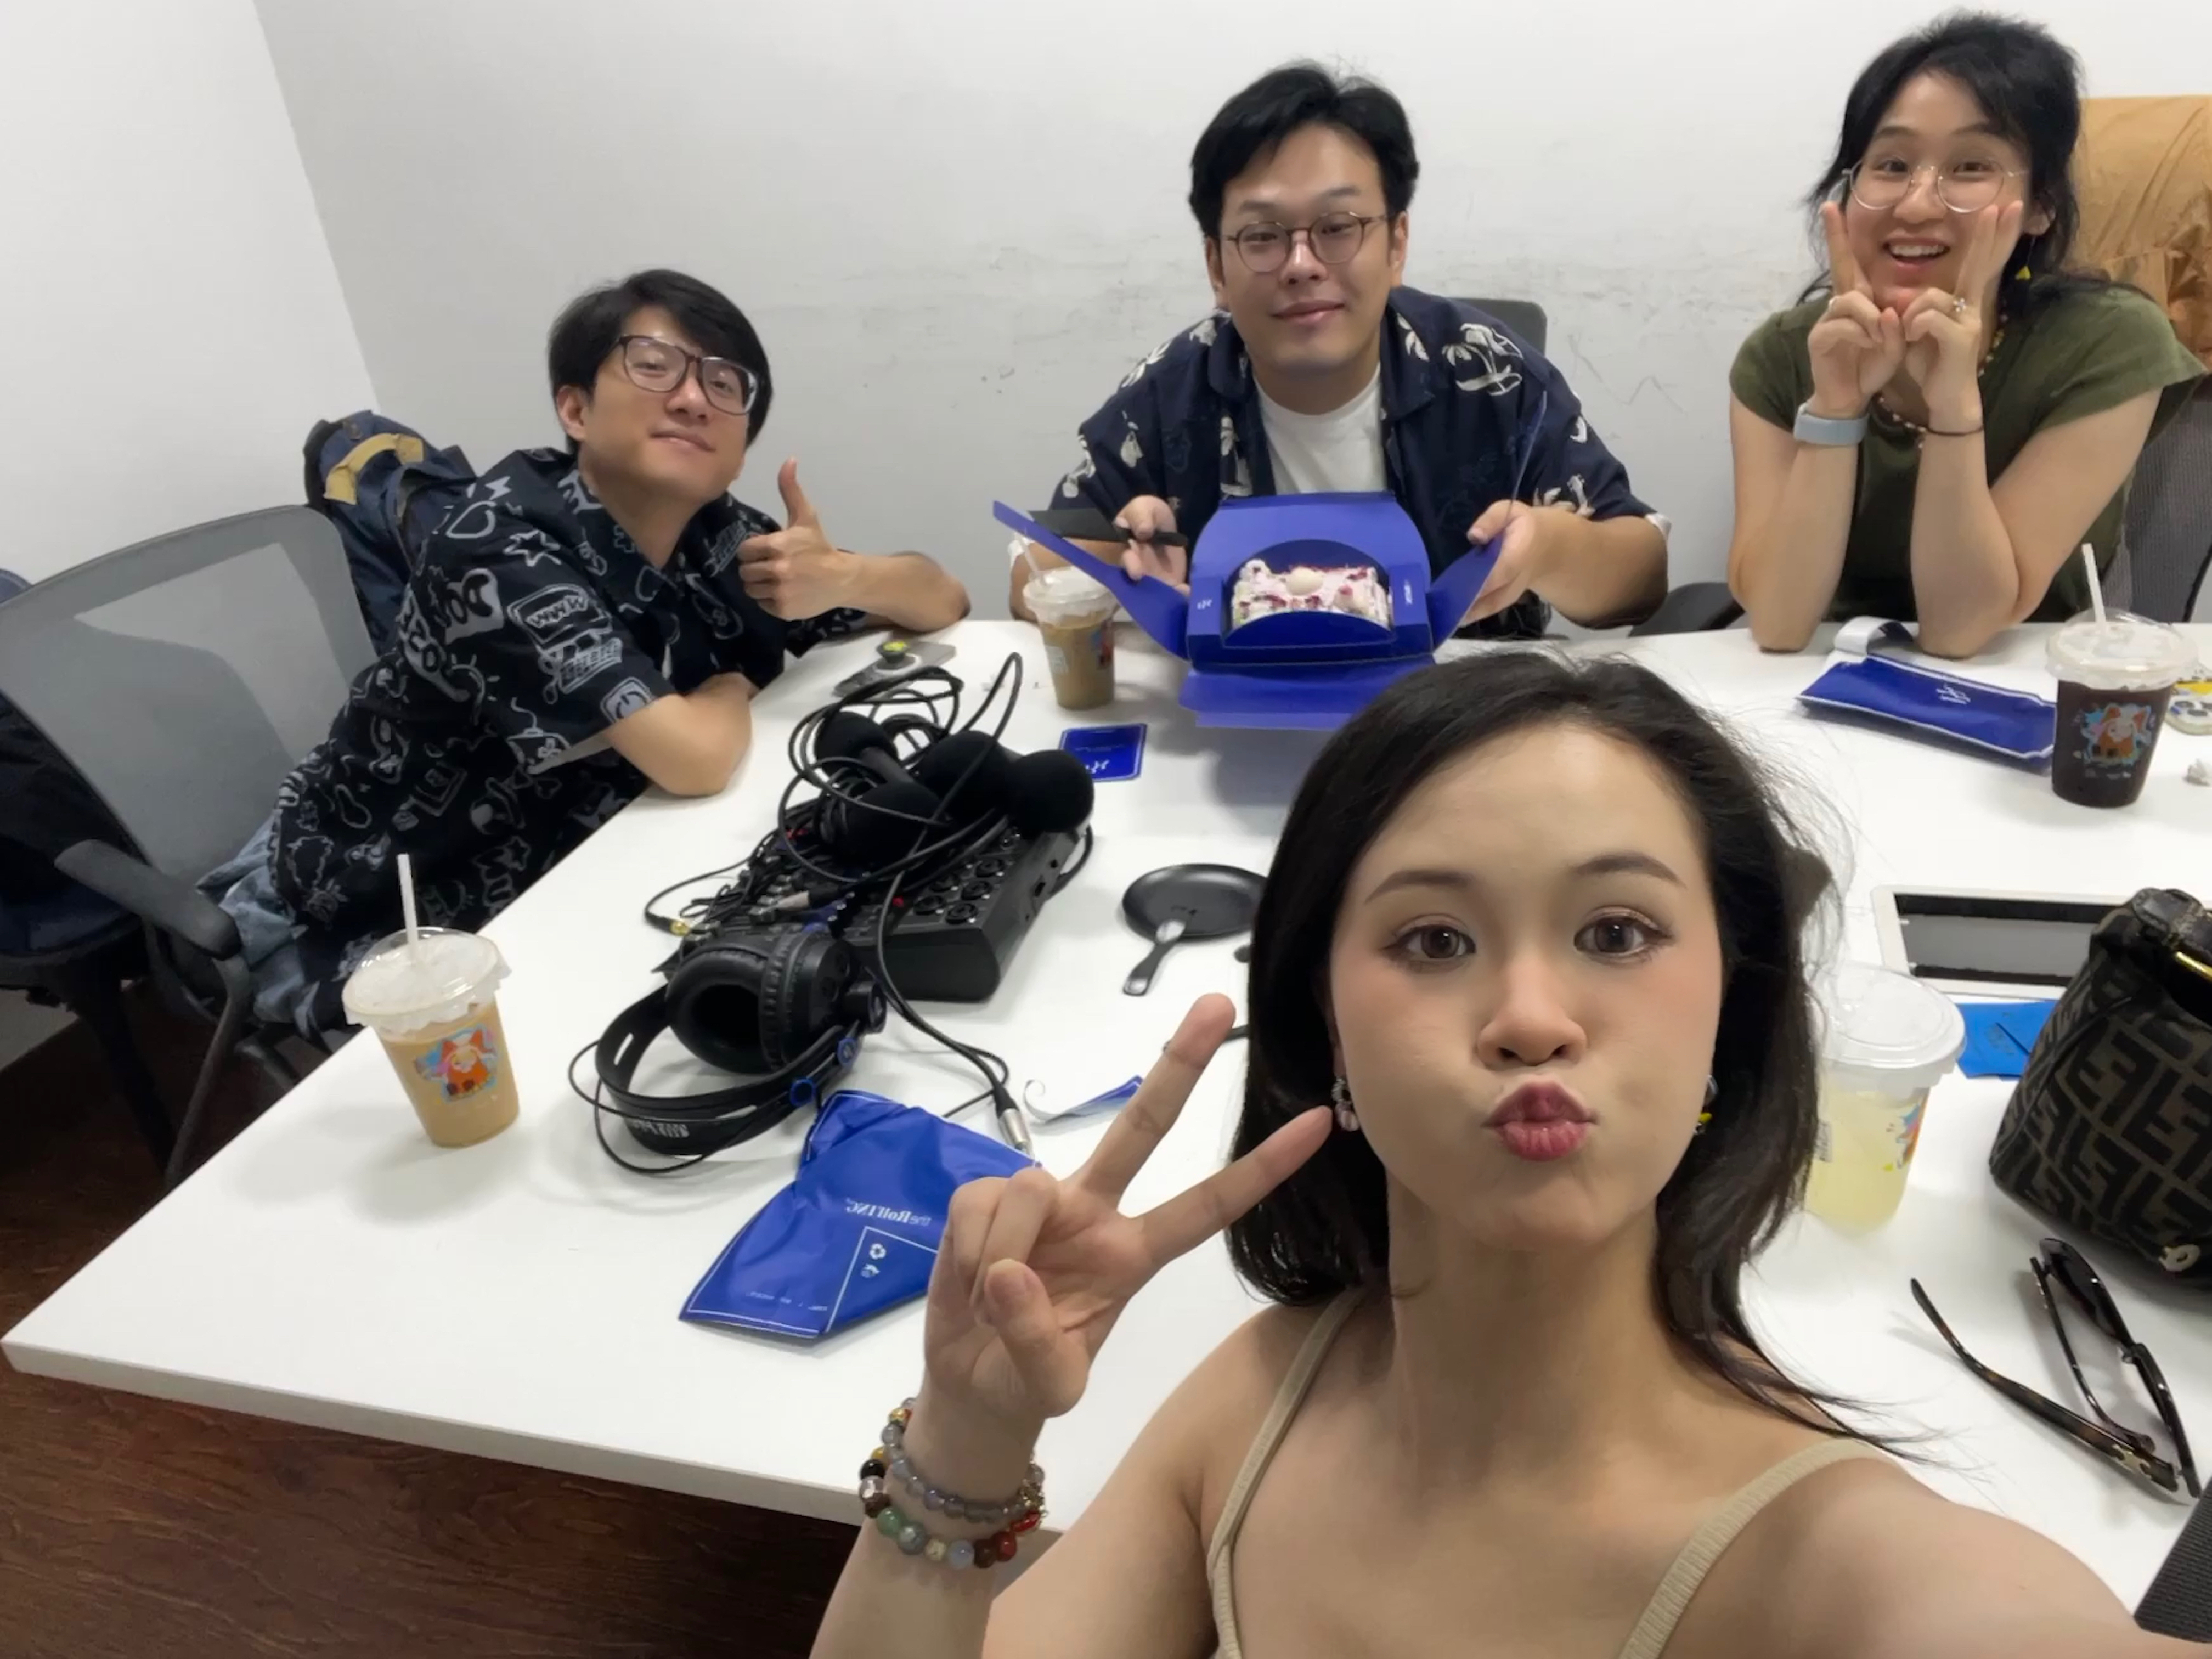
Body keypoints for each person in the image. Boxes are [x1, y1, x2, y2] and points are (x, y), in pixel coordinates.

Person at [810, 651, 2188, 1658]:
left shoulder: (1844, 1566)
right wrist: (967, 1443)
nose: (1532, 1017)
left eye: (1616, 933)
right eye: (1435, 940)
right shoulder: (1268, 1396)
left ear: (1732, 1010)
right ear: (1326, 1027)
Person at [209, 269, 968, 1032]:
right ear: (575, 409)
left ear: (739, 449)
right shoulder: (494, 544)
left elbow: (944, 602)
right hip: (390, 894)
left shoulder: (718, 528)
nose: (693, 398)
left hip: (602, 849)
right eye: (654, 366)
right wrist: (728, 688)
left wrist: (845, 577)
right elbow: (694, 760)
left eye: (724, 384)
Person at [1009, 65, 1669, 639]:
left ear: (1396, 244)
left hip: (1462, 715)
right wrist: (1121, 566)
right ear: (1216, 267)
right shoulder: (1168, 394)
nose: (1302, 264)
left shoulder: (1487, 372)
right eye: (1262, 236)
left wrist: (1552, 548)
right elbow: (1028, 580)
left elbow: (1641, 578)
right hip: (1243, 719)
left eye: (1337, 227)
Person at [1728, 14, 2206, 657]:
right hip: (1817, 677)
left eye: (1971, 166)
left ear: (2041, 205)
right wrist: (1836, 407)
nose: (1918, 204)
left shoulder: (2110, 344)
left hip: (2021, 680)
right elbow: (1778, 625)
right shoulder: (1784, 354)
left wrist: (1954, 408)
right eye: (1892, 164)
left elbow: (1960, 629)